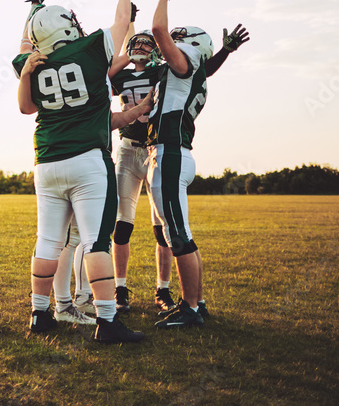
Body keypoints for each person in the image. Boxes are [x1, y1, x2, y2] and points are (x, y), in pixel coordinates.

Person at [12, 0, 147, 343]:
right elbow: (122, 23)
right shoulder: (88, 50)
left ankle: (40, 314)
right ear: (69, 27)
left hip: (47, 161)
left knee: (48, 241)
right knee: (95, 240)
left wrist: (33, 11)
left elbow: (25, 105)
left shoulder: (31, 62)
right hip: (87, 160)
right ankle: (107, 322)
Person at [107, 20, 249, 315]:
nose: (143, 48)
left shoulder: (164, 70)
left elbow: (201, 69)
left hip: (156, 152)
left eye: (148, 44)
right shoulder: (123, 76)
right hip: (130, 150)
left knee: (165, 230)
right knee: (123, 225)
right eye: (137, 44)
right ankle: (120, 288)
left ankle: (164, 289)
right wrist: (129, 27)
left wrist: (224, 52)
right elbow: (102, 78)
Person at [145, 0, 214, 329]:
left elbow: (158, 31)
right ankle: (197, 303)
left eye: (180, 38)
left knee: (178, 234)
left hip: (170, 154)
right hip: (170, 154)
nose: (172, 42)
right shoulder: (191, 74)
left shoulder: (185, 64)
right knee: (176, 231)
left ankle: (191, 309)